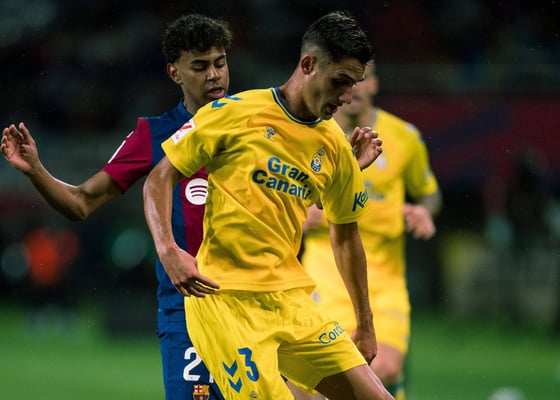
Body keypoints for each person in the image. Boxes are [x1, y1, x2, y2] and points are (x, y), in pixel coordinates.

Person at [143, 10, 393, 400]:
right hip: (224, 301)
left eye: (354, 84)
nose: (347, 97)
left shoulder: (336, 146)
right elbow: (159, 178)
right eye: (340, 82)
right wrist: (168, 249)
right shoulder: (232, 113)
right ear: (308, 65)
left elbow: (346, 235)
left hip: (292, 301)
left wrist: (366, 323)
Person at [1, 14, 232, 400]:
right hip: (189, 308)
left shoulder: (256, 126)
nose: (214, 75)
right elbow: (81, 202)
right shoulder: (153, 135)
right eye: (200, 66)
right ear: (174, 73)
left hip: (257, 300)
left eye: (220, 63)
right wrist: (36, 171)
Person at [300, 62, 442, 399]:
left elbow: (430, 192)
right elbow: (282, 197)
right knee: (326, 376)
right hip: (326, 274)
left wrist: (424, 210)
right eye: (346, 80)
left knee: (385, 367)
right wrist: (301, 217)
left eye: (362, 79)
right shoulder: (309, 135)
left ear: (374, 84)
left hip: (385, 278)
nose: (355, 88)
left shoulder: (404, 136)